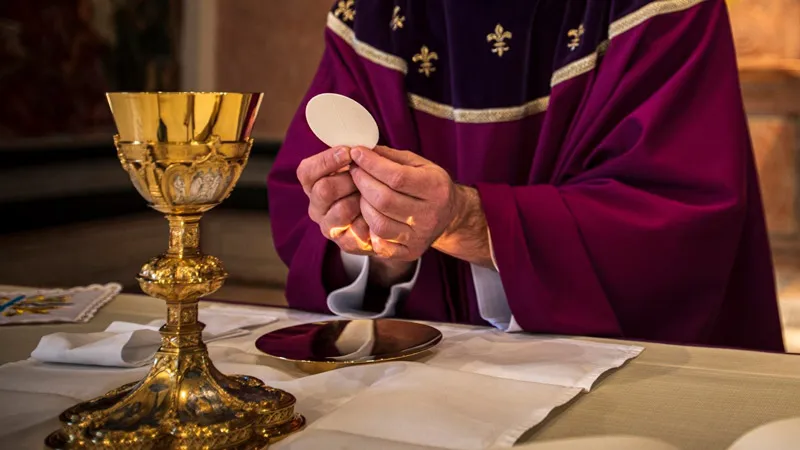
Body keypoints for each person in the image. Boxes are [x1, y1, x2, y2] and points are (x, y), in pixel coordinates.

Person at [267, 0, 785, 352]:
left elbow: (675, 220)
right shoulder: (376, 12)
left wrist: (469, 220)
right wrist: (369, 240)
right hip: (419, 383)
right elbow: (304, 205)